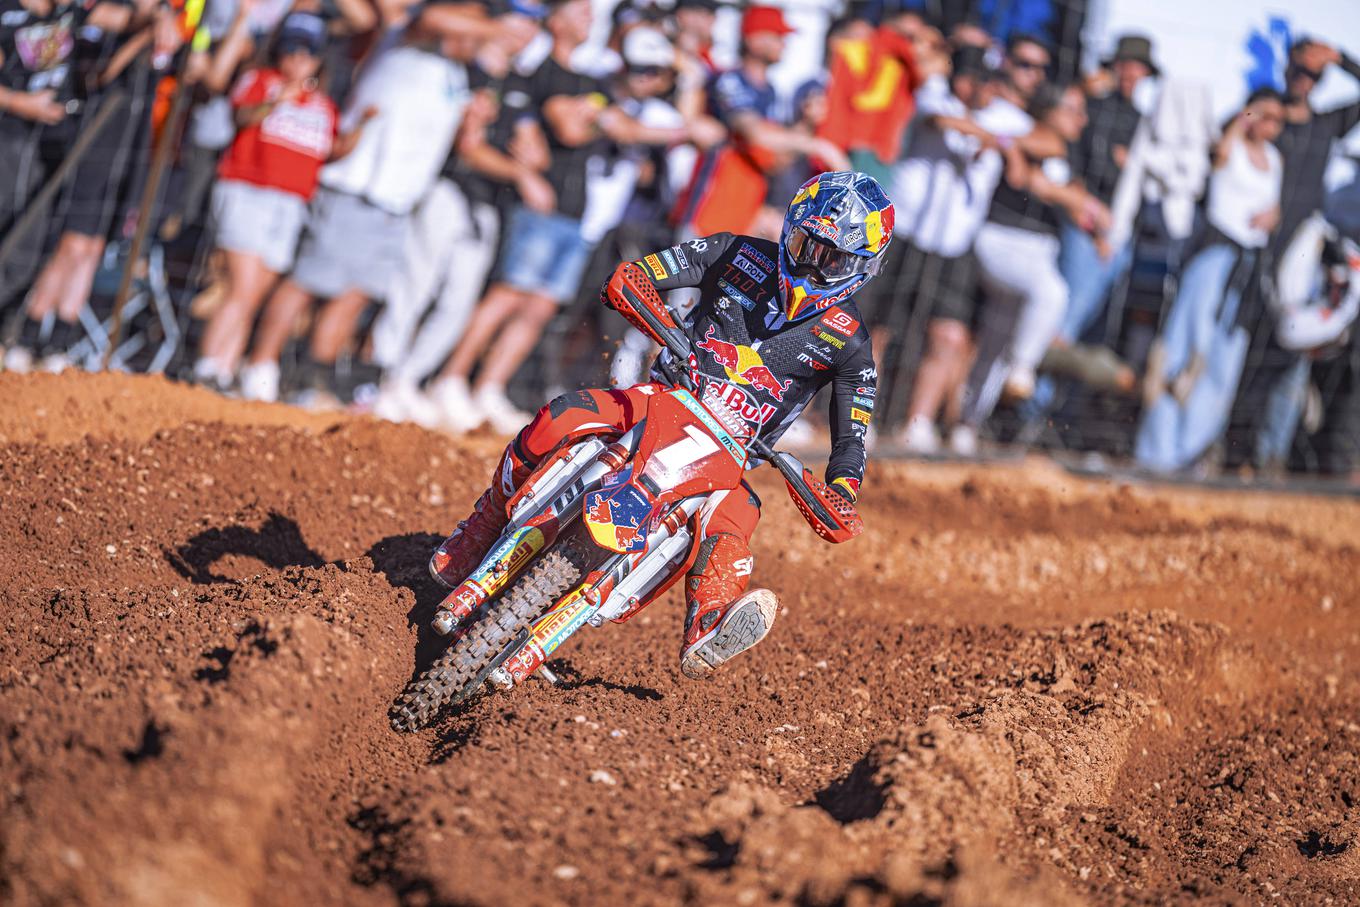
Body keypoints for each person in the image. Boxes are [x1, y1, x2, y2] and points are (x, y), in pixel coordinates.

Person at [430, 171, 892, 677]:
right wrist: (640, 296)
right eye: (807, 245)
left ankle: (709, 626)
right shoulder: (735, 252)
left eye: (834, 259)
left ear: (863, 268)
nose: (813, 265)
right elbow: (640, 272)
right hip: (661, 397)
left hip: (733, 452)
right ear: (790, 229)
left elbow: (853, 437)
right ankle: (481, 528)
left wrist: (841, 491)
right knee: (564, 415)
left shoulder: (849, 341)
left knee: (738, 515)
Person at [429, 0, 721, 434]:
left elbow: (604, 121)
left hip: (575, 212)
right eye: (581, 12)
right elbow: (574, 127)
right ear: (557, 21)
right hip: (543, 205)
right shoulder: (549, 73)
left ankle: (488, 387)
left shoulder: (587, 82)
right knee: (508, 296)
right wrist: (652, 128)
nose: (590, 19)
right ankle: (450, 378)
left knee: (539, 307)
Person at [236, 0, 508, 404]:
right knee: (307, 282)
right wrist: (500, 28)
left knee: (355, 294)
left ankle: (312, 381)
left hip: (397, 203)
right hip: (356, 186)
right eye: (470, 25)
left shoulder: (456, 74)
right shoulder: (406, 38)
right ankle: (260, 365)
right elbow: (433, 17)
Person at [190, 13, 365, 390]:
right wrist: (274, 102)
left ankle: (225, 367)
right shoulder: (260, 81)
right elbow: (240, 117)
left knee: (253, 294)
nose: (298, 59)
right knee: (242, 287)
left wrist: (360, 132)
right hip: (247, 190)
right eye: (292, 49)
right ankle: (208, 367)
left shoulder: (323, 106)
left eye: (308, 52)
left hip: (289, 204)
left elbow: (328, 151)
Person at [1136, 88, 1285, 474]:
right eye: (1263, 115)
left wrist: (1273, 217)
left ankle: (1191, 451)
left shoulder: (1275, 159)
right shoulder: (1230, 145)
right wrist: (1242, 119)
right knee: (1182, 351)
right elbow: (1218, 157)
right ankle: (1158, 452)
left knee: (1222, 362)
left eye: (1277, 120)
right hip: (1215, 253)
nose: (1270, 125)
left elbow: (1274, 207)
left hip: (1249, 265)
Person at [956, 82, 1110, 450]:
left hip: (1039, 249)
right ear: (1050, 111)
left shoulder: (1063, 154)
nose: (1081, 119)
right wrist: (1072, 197)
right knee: (1051, 292)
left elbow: (1072, 198)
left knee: (998, 337)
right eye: (1073, 109)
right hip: (1003, 240)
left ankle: (966, 425)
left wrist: (1092, 226)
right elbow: (1026, 181)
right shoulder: (1023, 137)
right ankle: (1023, 368)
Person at [673, 5, 849, 238]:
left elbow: (775, 159)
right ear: (754, 40)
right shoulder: (731, 80)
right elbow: (755, 133)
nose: (784, 44)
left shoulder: (772, 93)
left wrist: (806, 125)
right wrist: (818, 146)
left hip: (741, 218)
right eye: (777, 37)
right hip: (707, 211)